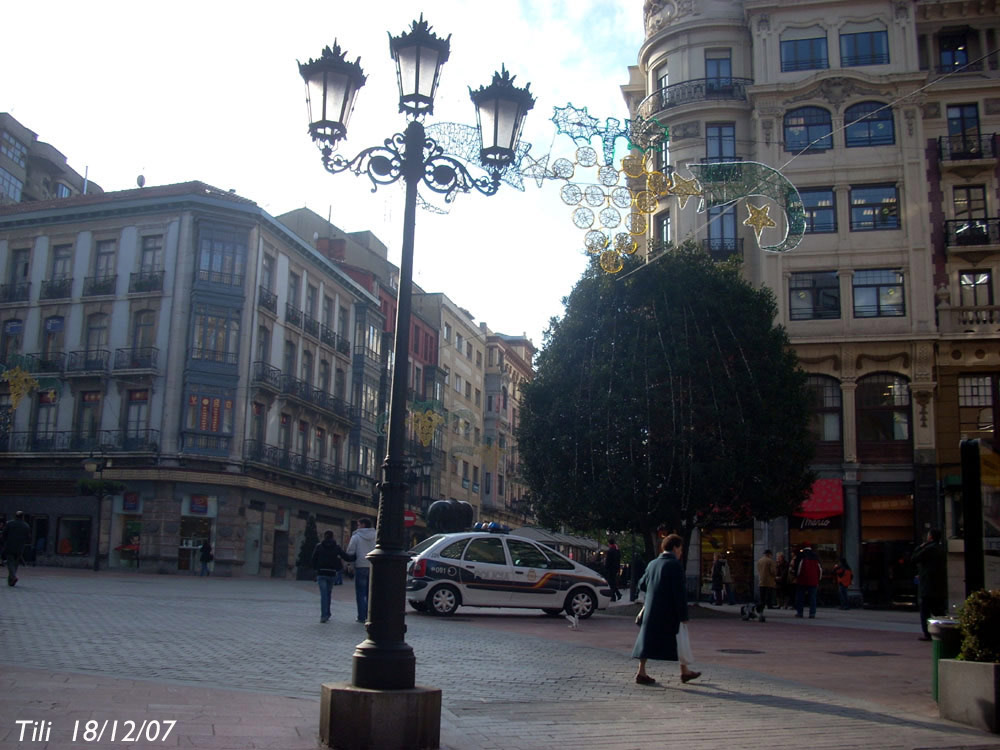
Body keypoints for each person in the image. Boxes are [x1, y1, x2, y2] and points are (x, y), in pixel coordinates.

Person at [632, 534, 700, 685]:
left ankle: (641, 671)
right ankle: (684, 671)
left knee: (646, 641)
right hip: (669, 611)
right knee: (680, 638)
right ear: (675, 547)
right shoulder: (674, 565)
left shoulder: (652, 563)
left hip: (651, 609)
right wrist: (683, 614)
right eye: (680, 549)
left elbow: (642, 584)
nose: (681, 552)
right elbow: (679, 593)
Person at [912, 528, 947, 641]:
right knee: (939, 611)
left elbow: (914, 558)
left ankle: (928, 634)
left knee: (925, 612)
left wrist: (920, 547)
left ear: (930, 537)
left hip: (928, 586)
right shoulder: (941, 549)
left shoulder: (928, 549)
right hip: (939, 587)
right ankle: (943, 631)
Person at [311, 530, 349, 623]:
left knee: (323, 594)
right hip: (331, 573)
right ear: (333, 537)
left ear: (324, 536)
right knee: (328, 593)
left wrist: (315, 569)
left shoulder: (319, 546)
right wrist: (356, 557)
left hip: (321, 573)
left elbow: (313, 559)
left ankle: (324, 615)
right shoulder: (336, 547)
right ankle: (327, 613)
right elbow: (345, 556)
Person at [344, 518, 377, 623]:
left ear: (363, 525)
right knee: (370, 592)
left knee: (360, 593)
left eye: (358, 525)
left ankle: (361, 616)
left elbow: (350, 552)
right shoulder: (376, 535)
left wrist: (350, 565)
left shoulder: (356, 537)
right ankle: (369, 614)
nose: (357, 527)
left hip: (360, 566)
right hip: (373, 566)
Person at [2, 511, 31, 587]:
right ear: (23, 517)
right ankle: (11, 581)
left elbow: (4, 534)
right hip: (20, 548)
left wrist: (4, 542)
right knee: (15, 563)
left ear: (15, 516)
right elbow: (28, 538)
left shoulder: (10, 524)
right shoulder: (26, 526)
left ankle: (13, 577)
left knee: (10, 562)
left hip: (10, 546)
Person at [795, 546, 822, 619]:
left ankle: (800, 612)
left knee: (800, 597)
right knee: (813, 598)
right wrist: (818, 579)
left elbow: (798, 569)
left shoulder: (801, 555)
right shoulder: (815, 556)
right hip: (813, 580)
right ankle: (812, 613)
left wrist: (797, 577)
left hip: (802, 580)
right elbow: (820, 569)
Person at [605, 537, 622, 601]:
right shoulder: (617, 550)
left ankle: (615, 595)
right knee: (612, 582)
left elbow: (608, 561)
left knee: (611, 582)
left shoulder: (610, 551)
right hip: (615, 568)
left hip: (610, 569)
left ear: (609, 543)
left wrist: (606, 567)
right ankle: (616, 595)